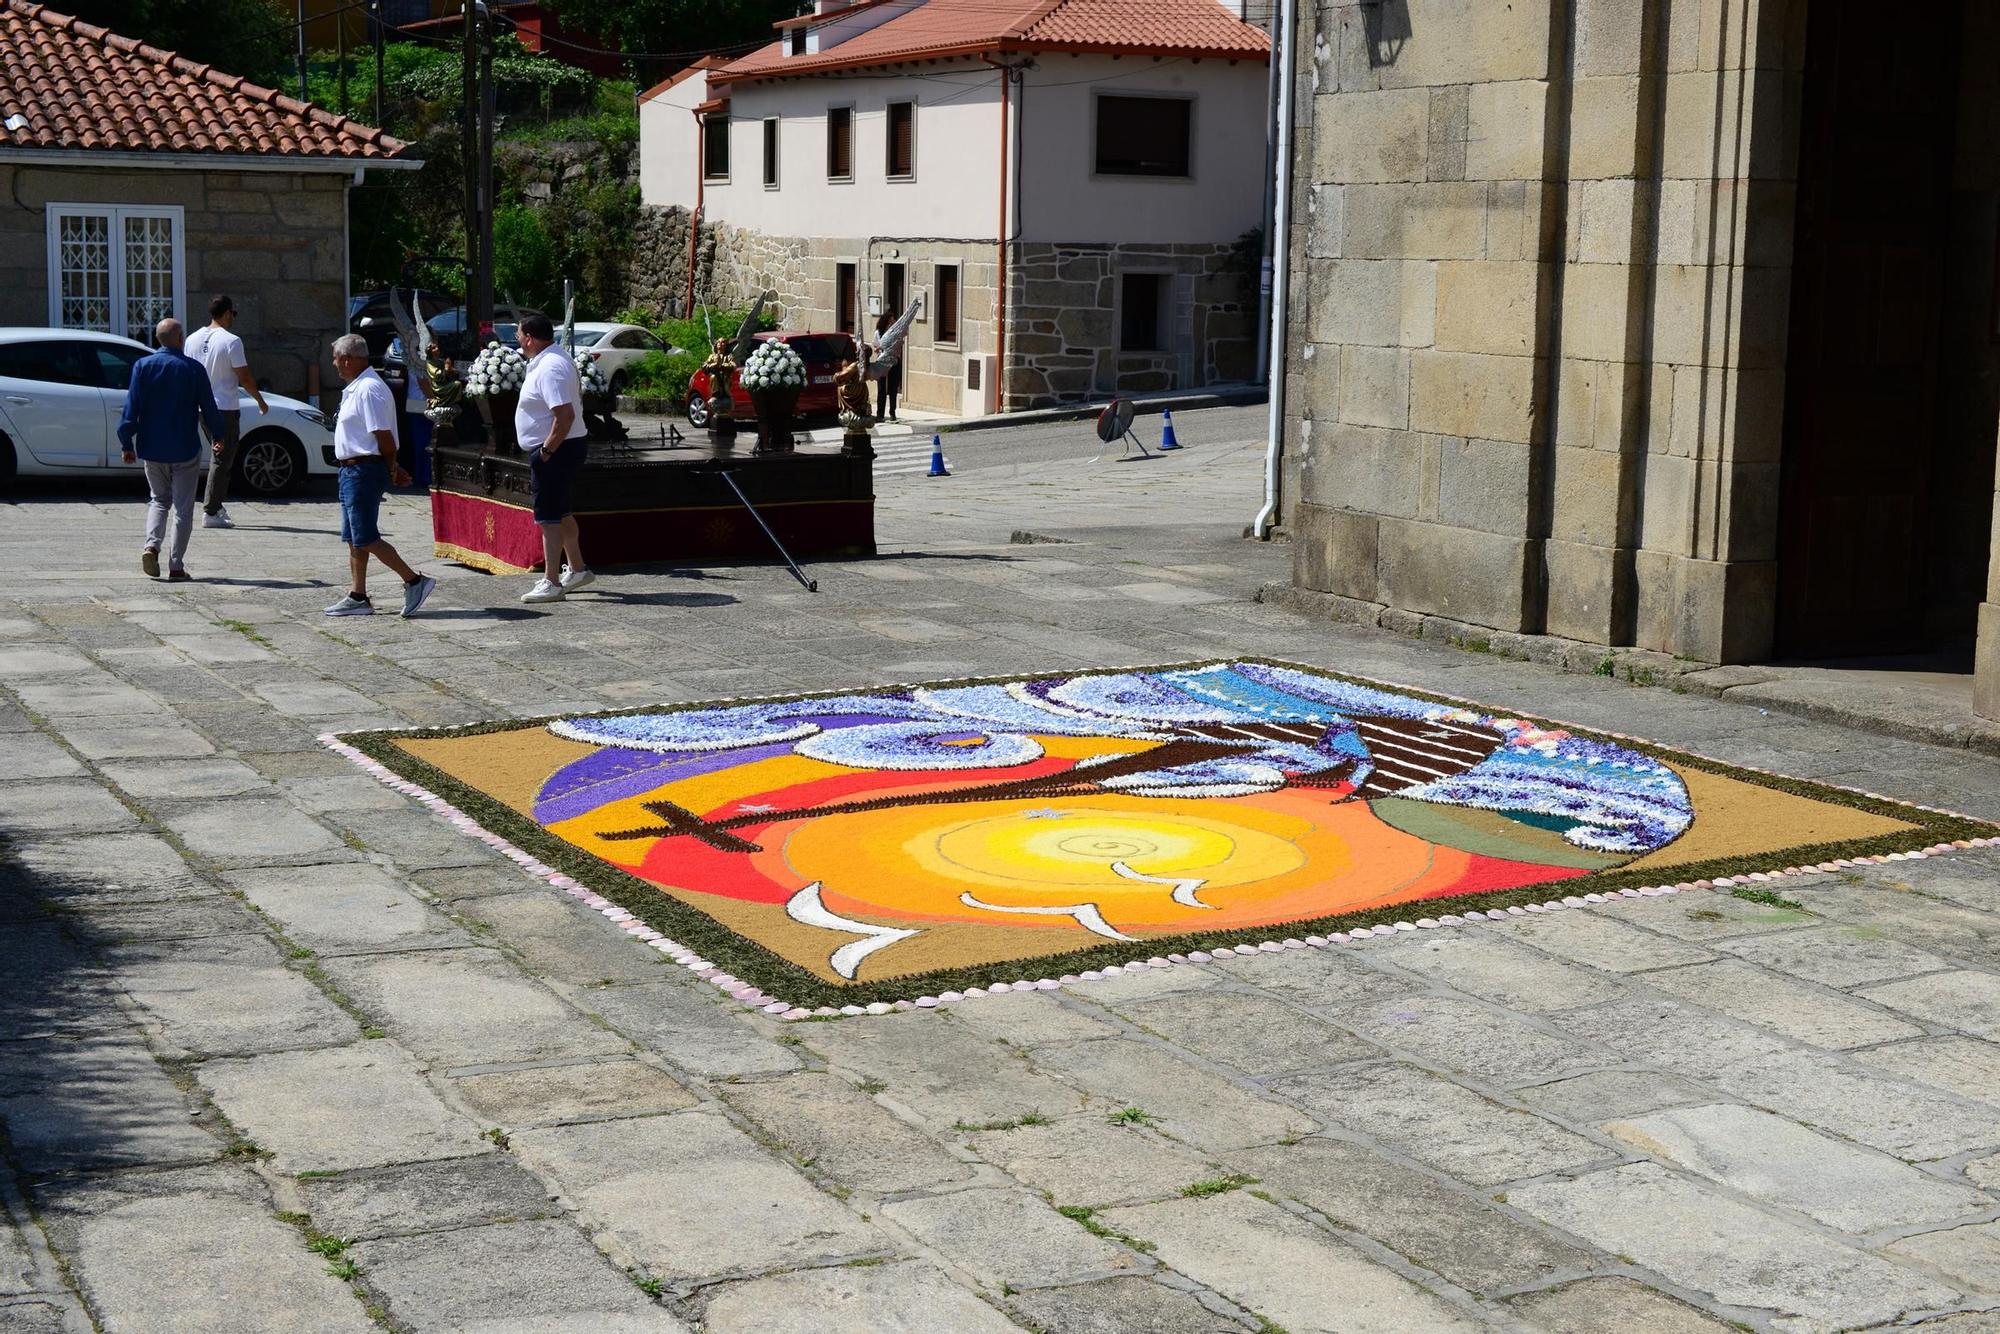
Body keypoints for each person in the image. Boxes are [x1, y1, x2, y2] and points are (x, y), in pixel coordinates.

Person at [324, 334, 436, 618]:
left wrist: (391, 468)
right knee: (354, 536)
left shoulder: (369, 389)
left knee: (366, 537)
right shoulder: (358, 387)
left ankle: (414, 581)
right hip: (352, 469)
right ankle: (357, 594)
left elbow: (384, 437)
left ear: (348, 359)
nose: (334, 363)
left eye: (336, 358)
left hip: (363, 469)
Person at [118, 319, 226, 582]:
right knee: (183, 508)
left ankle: (151, 545)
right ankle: (176, 565)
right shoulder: (193, 369)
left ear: (158, 340)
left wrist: (126, 442)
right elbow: (209, 408)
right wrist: (218, 435)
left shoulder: (142, 366)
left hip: (152, 447)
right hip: (184, 447)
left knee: (158, 500)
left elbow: (131, 408)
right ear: (180, 339)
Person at [514, 314, 594, 604]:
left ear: (530, 339)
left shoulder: (550, 367)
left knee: (548, 516)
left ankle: (551, 581)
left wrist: (545, 451)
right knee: (561, 511)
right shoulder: (551, 360)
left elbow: (565, 416)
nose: (518, 341)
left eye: (519, 336)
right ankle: (578, 568)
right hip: (562, 447)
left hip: (557, 450)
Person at [183, 295, 268, 528]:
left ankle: (216, 505)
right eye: (234, 313)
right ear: (227, 313)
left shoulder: (191, 339)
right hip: (224, 407)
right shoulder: (232, 341)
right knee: (222, 458)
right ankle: (210, 511)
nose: (234, 318)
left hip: (201, 405)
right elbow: (245, 377)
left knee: (219, 456)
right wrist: (260, 401)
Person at [872, 308, 901, 422]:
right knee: (881, 389)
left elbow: (898, 346)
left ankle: (892, 412)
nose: (892, 323)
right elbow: (875, 346)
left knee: (893, 388)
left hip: (893, 362)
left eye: (893, 322)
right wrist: (880, 348)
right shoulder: (878, 333)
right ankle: (880, 414)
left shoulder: (895, 334)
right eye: (891, 322)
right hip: (882, 362)